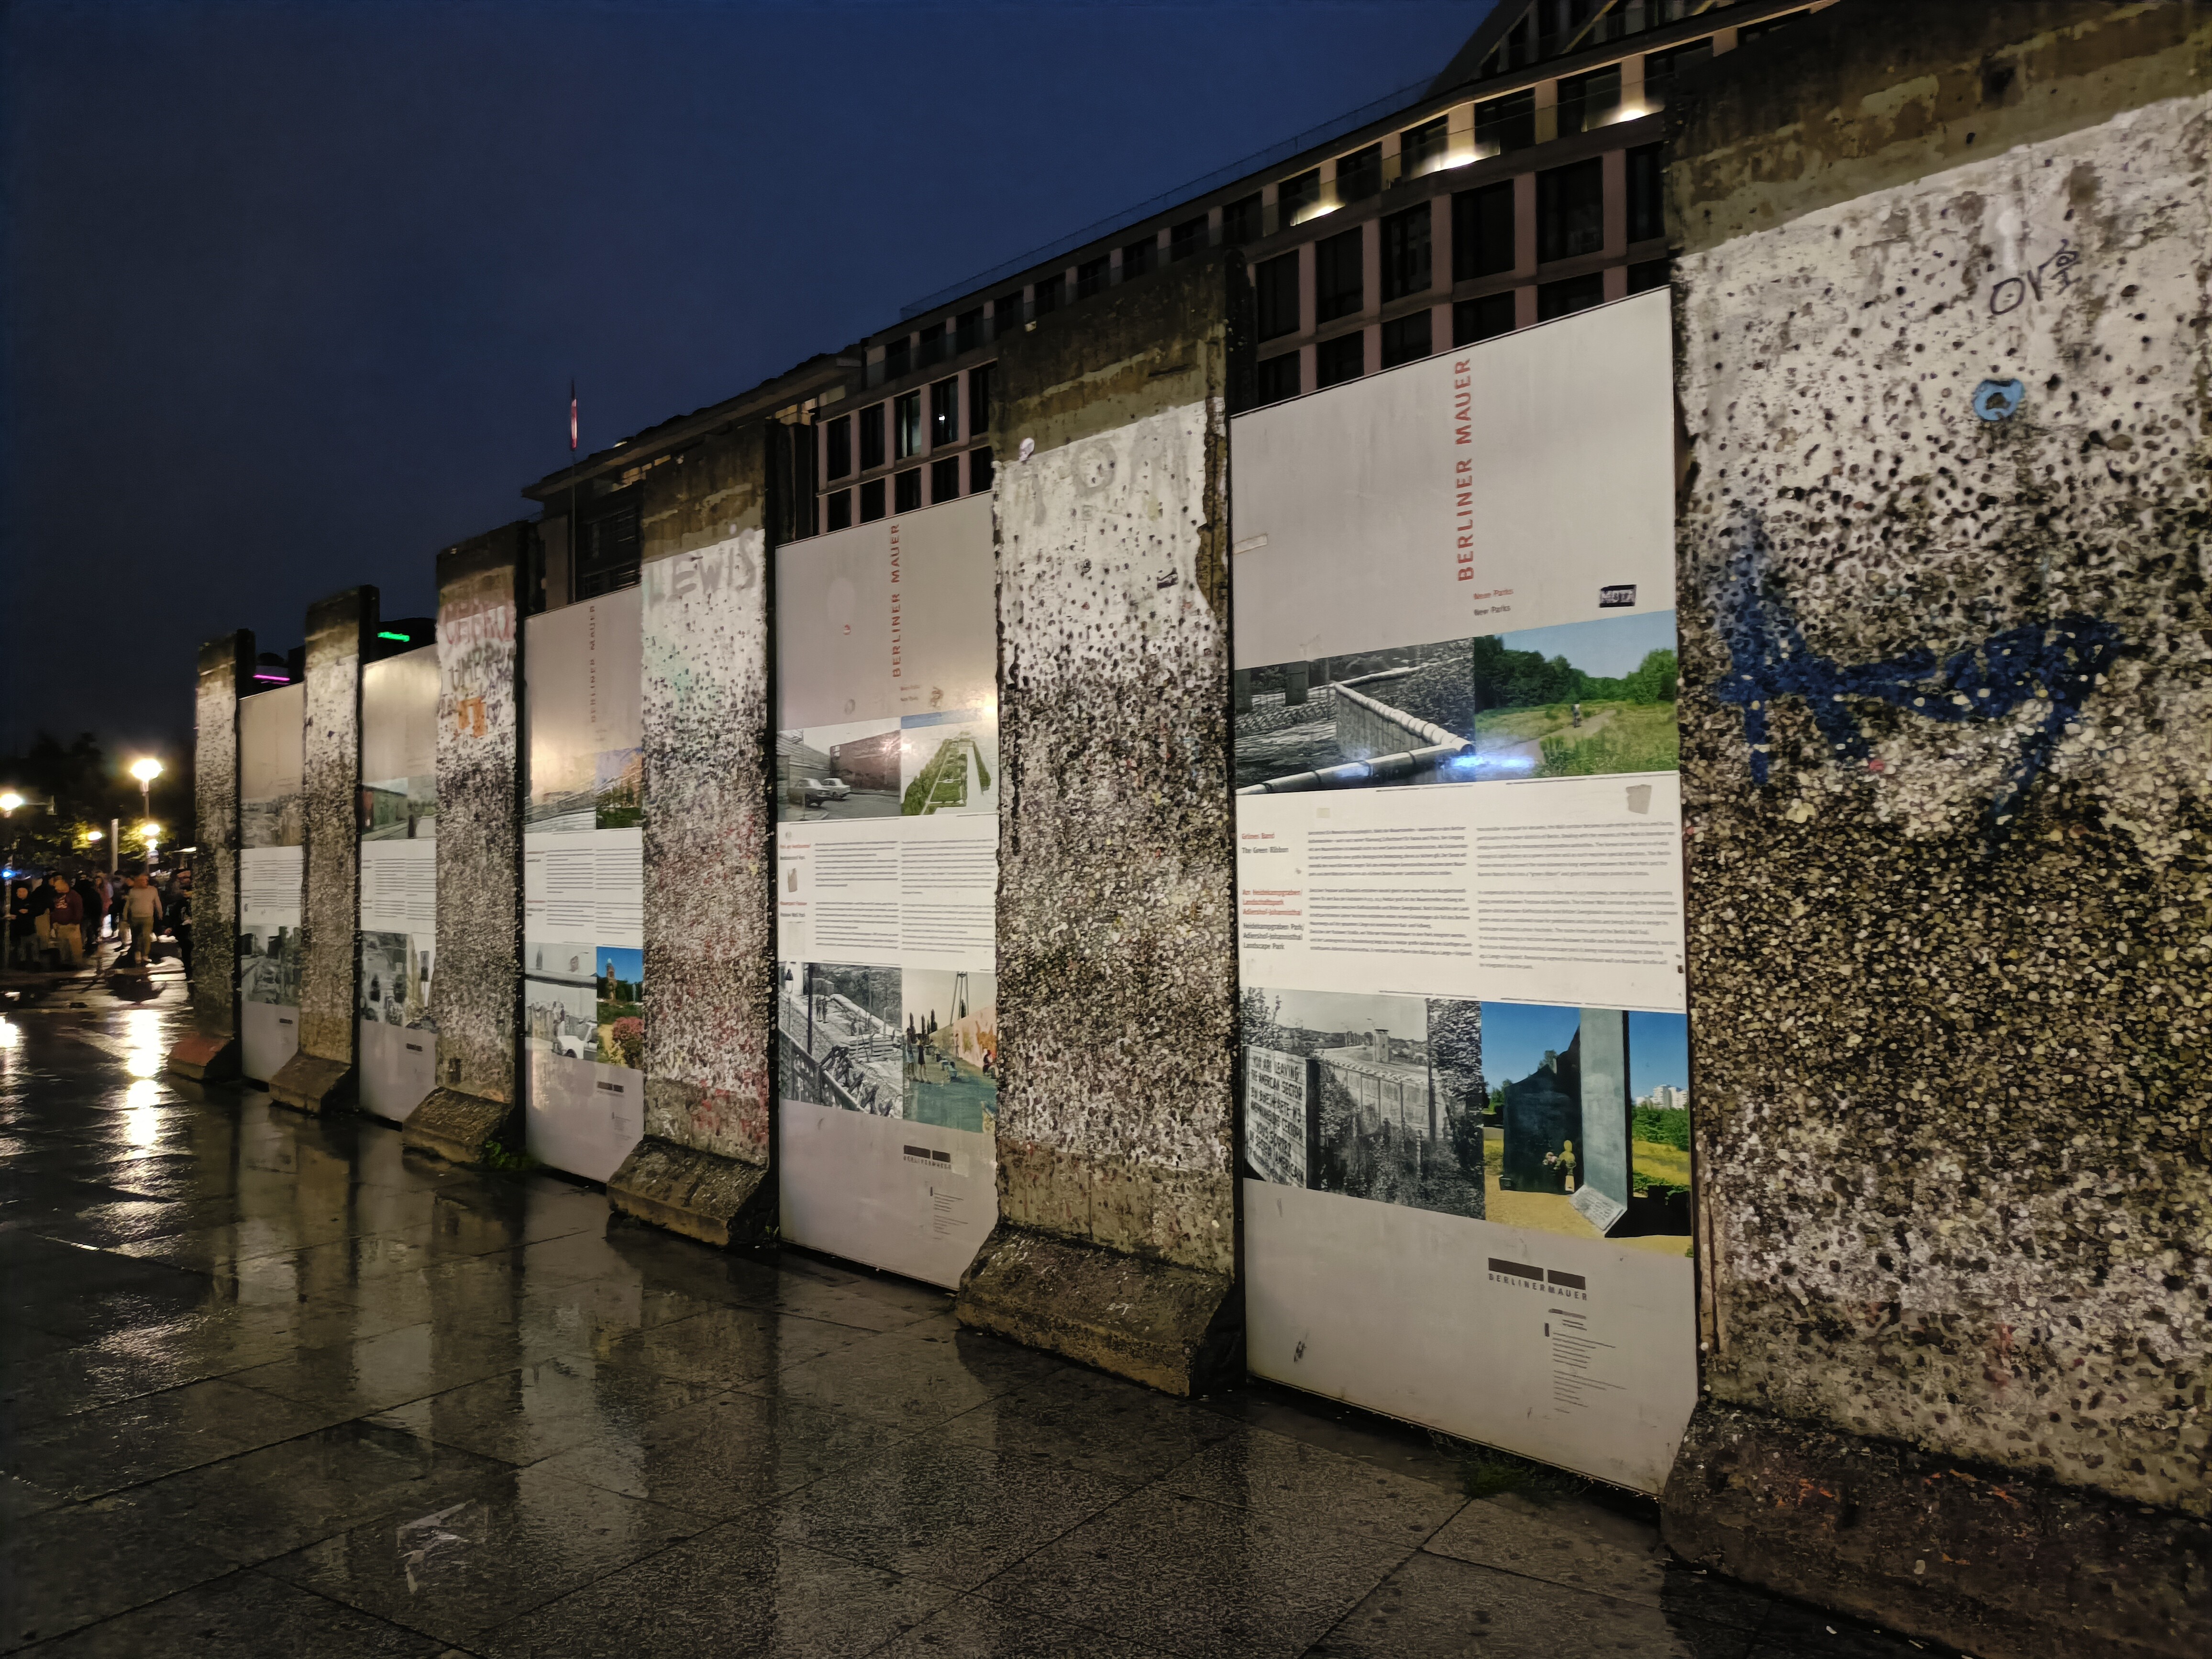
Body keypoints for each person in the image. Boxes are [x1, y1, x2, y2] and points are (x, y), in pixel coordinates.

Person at [122, 873, 163, 966]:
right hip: (135, 917)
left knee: (146, 936)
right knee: (136, 937)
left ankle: (145, 955)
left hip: (148, 917)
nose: (145, 882)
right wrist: (125, 915)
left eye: (146, 880)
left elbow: (157, 902)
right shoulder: (133, 891)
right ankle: (138, 953)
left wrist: (160, 912)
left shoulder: (153, 890)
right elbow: (128, 905)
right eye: (143, 880)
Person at [47, 874, 83, 969]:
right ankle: (66, 964)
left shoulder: (74, 896)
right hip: (60, 926)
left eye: (57, 886)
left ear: (64, 884)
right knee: (63, 946)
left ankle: (76, 964)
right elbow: (55, 910)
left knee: (74, 946)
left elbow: (78, 910)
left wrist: (75, 922)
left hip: (71, 926)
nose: (56, 888)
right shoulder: (57, 896)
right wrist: (54, 922)